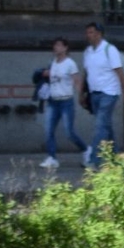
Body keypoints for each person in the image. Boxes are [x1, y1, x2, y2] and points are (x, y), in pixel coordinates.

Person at [81, 23, 124, 167]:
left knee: (100, 126)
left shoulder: (110, 50)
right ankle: (114, 156)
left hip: (109, 93)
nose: (88, 35)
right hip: (94, 93)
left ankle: (94, 160)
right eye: (87, 32)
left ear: (99, 34)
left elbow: (120, 73)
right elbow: (86, 73)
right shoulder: (88, 51)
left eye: (91, 32)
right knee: (106, 126)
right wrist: (81, 93)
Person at [37, 36, 86, 168]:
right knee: (48, 131)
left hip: (66, 101)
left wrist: (82, 96)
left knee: (69, 132)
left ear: (65, 48)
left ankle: (86, 150)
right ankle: (52, 157)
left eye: (59, 45)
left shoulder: (70, 63)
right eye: (55, 45)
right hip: (53, 101)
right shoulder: (53, 62)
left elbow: (76, 81)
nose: (56, 48)